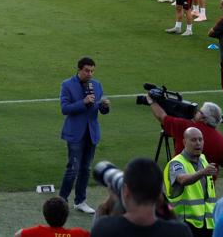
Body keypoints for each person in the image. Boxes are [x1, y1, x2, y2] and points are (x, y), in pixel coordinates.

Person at [58, 56, 110, 214]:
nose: (90, 74)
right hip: (75, 134)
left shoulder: (97, 85)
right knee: (73, 168)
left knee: (86, 169)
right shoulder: (67, 85)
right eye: (87, 70)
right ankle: (61, 201)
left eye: (92, 71)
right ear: (79, 69)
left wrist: (105, 107)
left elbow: (100, 110)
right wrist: (83, 102)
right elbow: (65, 109)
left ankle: (80, 201)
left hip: (91, 132)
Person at [91, 158, 191, 237]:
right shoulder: (180, 232)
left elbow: (114, 224)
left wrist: (116, 201)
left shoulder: (104, 229)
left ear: (126, 191)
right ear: (158, 194)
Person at [163, 127, 218, 237]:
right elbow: (182, 179)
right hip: (185, 225)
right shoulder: (177, 163)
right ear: (184, 142)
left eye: (200, 139)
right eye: (193, 140)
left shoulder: (202, 159)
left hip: (207, 224)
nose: (198, 143)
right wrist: (202, 172)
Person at [146, 101, 223, 169]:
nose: (196, 113)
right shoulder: (221, 140)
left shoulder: (187, 127)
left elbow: (162, 117)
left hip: (182, 182)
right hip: (207, 188)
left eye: (199, 112)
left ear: (203, 118)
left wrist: (151, 101)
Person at [16, 197, 88, 237]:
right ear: (66, 215)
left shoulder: (37, 231)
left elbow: (18, 234)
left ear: (45, 215)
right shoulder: (79, 233)